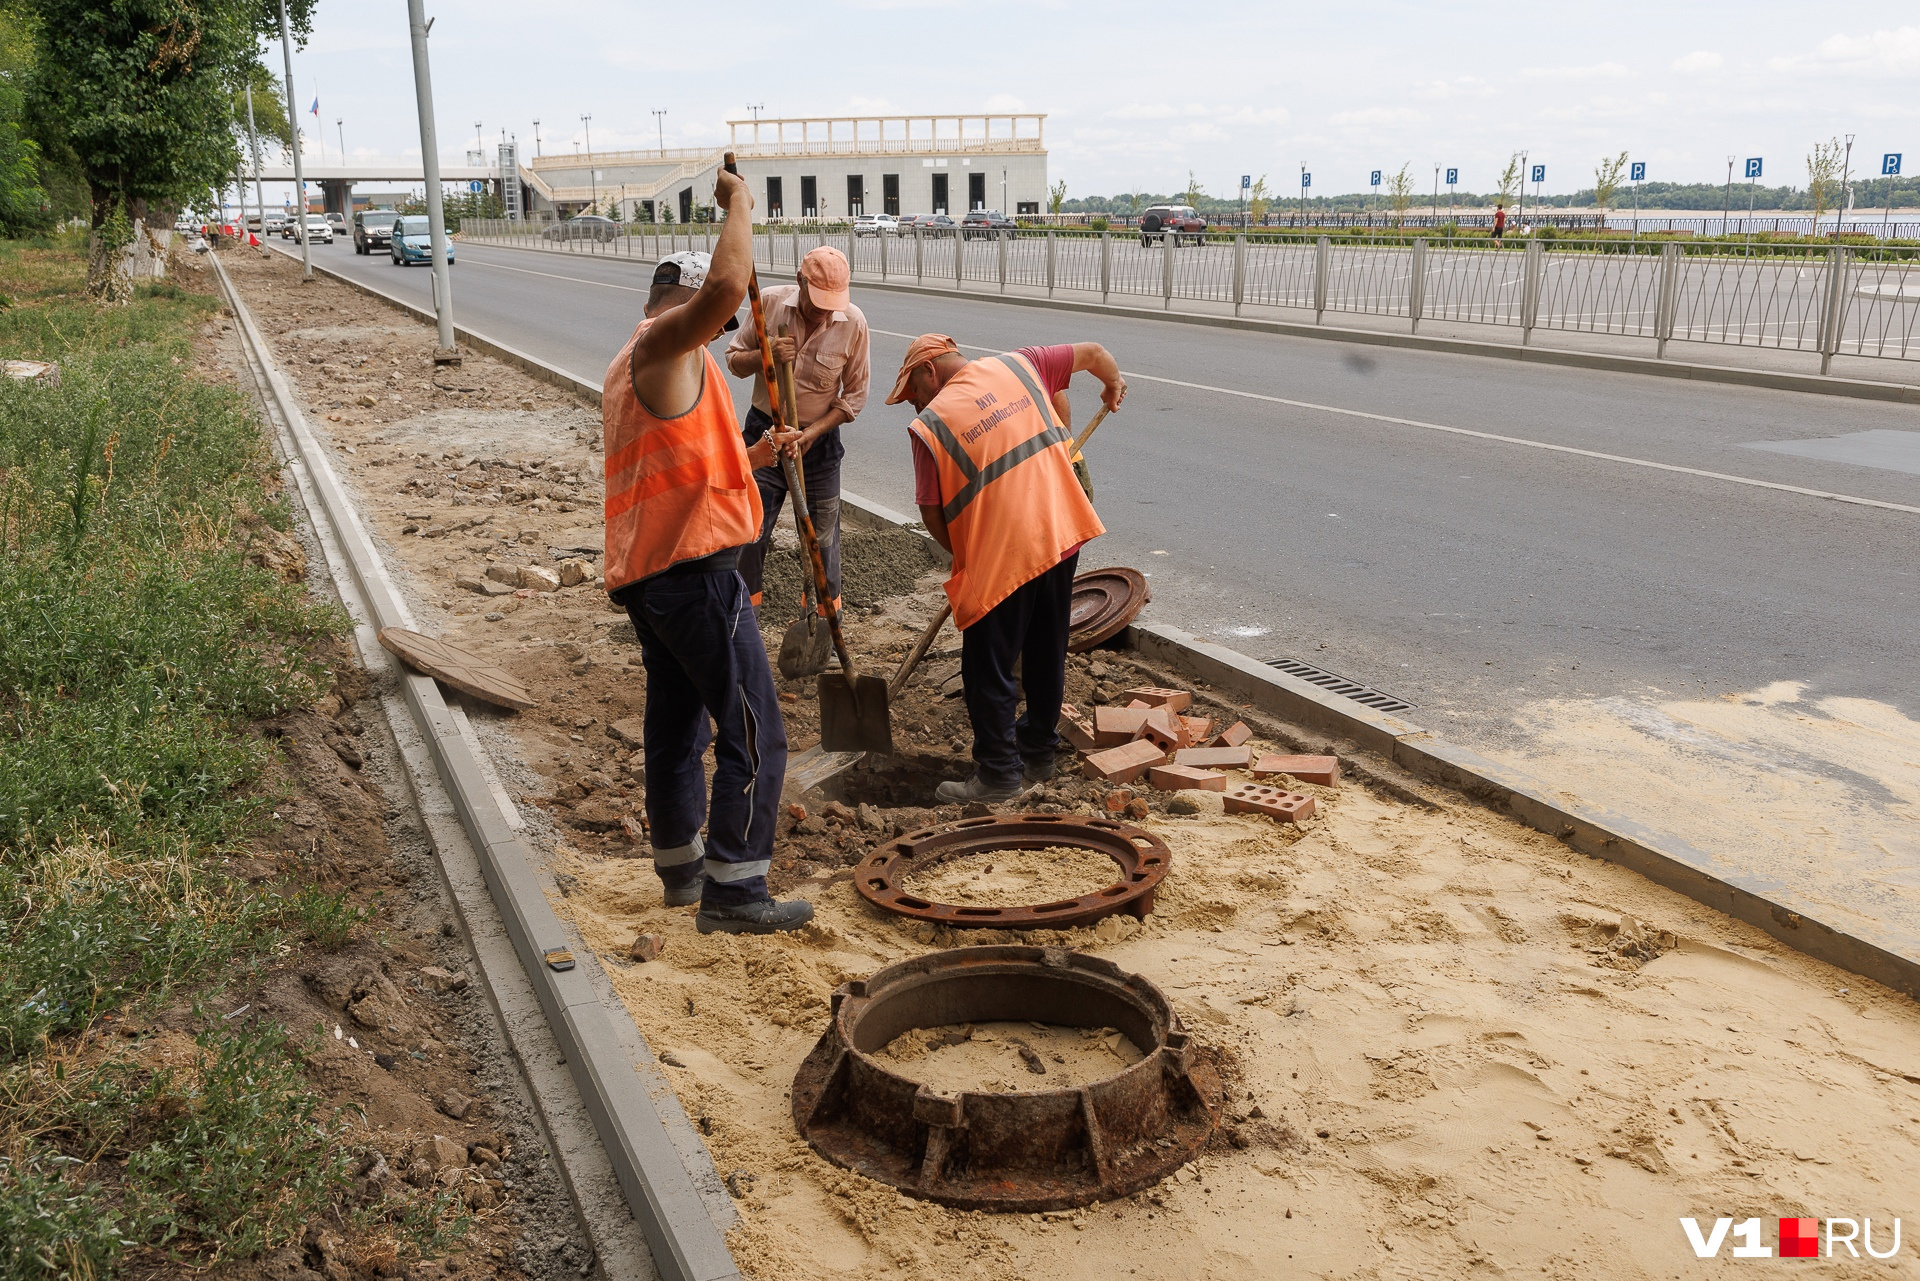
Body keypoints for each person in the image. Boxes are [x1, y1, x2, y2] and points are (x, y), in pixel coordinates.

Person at [600, 168, 813, 935]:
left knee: (678, 727)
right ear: (677, 304)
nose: (720, 334)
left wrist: (755, 461)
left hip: (656, 577)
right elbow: (727, 287)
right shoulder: (660, 343)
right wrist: (741, 207)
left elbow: (676, 464)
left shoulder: (639, 371)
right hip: (694, 575)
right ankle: (736, 888)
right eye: (708, 323)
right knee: (755, 727)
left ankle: (681, 869)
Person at [888, 335, 1124, 803]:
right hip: (1060, 530)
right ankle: (1038, 752)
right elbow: (1096, 354)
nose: (915, 405)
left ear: (927, 372)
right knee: (1044, 647)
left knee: (987, 666)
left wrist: (966, 558)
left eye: (913, 394)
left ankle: (998, 775)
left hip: (1002, 557)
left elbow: (932, 513)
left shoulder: (930, 426)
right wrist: (1112, 387)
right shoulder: (1022, 365)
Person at [724, 246, 870, 617]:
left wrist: (813, 433)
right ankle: (743, 620)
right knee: (750, 534)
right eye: (817, 300)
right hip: (766, 434)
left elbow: (853, 397)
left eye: (831, 303)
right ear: (800, 280)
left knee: (823, 541)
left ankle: (823, 625)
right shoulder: (769, 305)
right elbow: (734, 361)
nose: (824, 311)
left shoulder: (853, 323)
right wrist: (766, 353)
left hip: (818, 445)